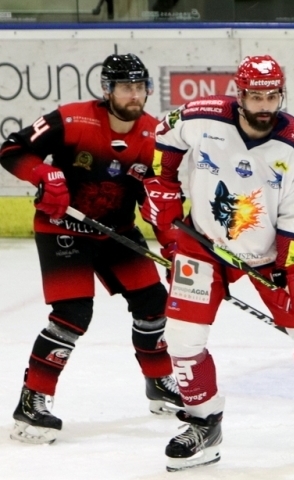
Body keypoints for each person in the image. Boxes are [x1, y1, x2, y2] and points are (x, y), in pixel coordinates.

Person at [141, 55, 294, 472]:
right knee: (182, 337)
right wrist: (161, 183)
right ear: (239, 94)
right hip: (203, 245)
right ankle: (202, 423)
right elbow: (165, 135)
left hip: (269, 256)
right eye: (255, 96)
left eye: (271, 96)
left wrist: (293, 267)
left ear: (281, 95)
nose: (264, 105)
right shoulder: (200, 116)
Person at [0, 53, 183, 445]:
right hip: (61, 225)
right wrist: (43, 172)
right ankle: (32, 401)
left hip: (115, 231)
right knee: (73, 313)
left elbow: (157, 199)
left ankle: (159, 384)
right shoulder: (71, 119)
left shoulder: (155, 135)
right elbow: (11, 150)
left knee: (154, 303)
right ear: (107, 90)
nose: (134, 95)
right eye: (125, 87)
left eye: (140, 87)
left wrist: (171, 244)